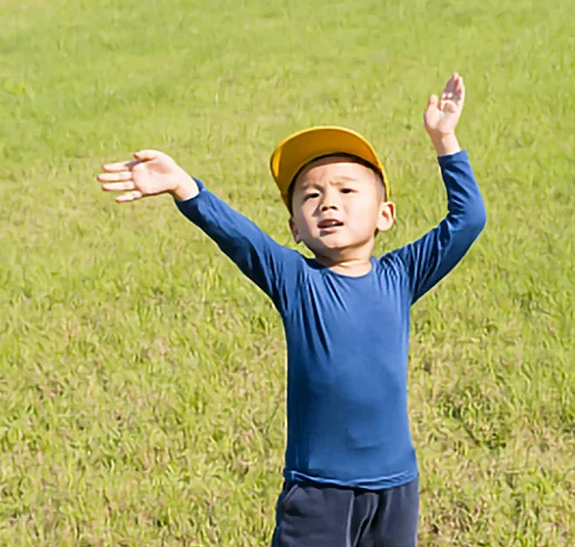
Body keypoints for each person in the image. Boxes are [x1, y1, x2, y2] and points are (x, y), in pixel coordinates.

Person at [97, 72, 486, 546]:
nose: (328, 203)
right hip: (318, 490)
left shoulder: (401, 275)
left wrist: (444, 140)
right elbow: (242, 238)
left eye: (346, 190)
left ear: (384, 215)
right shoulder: (298, 281)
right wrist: (185, 187)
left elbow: (468, 220)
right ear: (295, 228)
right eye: (310, 195)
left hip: (395, 487)